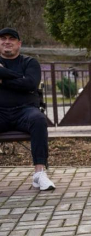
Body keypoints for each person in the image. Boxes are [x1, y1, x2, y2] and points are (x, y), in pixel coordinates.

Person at [0, 28, 55, 191]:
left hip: (25, 111)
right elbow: (23, 82)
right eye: (3, 38)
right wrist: (18, 77)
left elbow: (30, 84)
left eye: (11, 39)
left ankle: (39, 174)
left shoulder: (30, 63)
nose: (7, 41)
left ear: (19, 43)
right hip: (1, 112)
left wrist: (3, 78)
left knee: (38, 119)